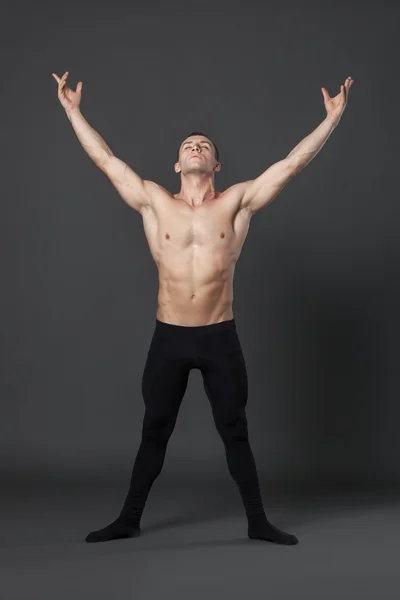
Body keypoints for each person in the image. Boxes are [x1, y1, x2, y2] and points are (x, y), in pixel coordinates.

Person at [52, 71, 353, 545]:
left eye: (204, 145)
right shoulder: (153, 201)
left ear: (217, 164)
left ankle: (258, 521)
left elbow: (292, 163)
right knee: (155, 430)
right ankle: (128, 519)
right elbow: (106, 160)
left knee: (235, 429)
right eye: (189, 144)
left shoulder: (237, 203)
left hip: (219, 336)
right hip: (169, 337)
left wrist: (332, 119)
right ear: (176, 164)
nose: (196, 146)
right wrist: (72, 111)